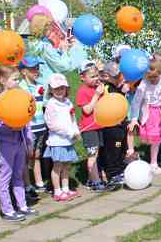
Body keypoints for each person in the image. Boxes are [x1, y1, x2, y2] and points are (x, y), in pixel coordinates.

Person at [0, 66, 39, 221]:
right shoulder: (0, 101)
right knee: (5, 177)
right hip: (7, 144)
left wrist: (29, 141)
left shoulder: (20, 97)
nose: (17, 82)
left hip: (20, 143)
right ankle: (7, 210)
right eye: (14, 79)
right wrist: (9, 126)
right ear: (2, 81)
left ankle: (22, 205)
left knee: (19, 174)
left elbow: (26, 120)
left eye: (18, 79)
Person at [128, 60, 161, 174]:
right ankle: (153, 163)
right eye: (150, 77)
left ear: (160, 73)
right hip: (150, 113)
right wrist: (134, 119)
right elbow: (136, 102)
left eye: (155, 76)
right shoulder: (144, 84)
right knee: (155, 139)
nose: (153, 79)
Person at [43, 73, 80, 202]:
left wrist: (76, 131)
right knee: (57, 166)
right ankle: (57, 191)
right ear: (51, 90)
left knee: (67, 166)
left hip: (68, 141)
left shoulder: (68, 102)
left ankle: (65, 188)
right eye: (55, 88)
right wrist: (69, 132)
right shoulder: (51, 104)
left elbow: (72, 119)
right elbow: (52, 125)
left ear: (66, 89)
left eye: (61, 88)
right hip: (57, 141)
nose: (59, 91)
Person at [18, 56, 51, 194]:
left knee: (37, 155)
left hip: (41, 127)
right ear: (24, 71)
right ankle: (27, 184)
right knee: (26, 156)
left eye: (37, 68)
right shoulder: (21, 87)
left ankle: (38, 181)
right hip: (28, 128)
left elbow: (44, 104)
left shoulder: (39, 86)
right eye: (32, 68)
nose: (36, 71)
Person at [75, 60, 110, 192]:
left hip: (99, 126)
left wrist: (103, 92)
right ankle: (95, 182)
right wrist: (96, 95)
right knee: (92, 155)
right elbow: (87, 110)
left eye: (97, 75)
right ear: (82, 77)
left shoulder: (98, 88)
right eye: (92, 76)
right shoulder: (82, 91)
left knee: (97, 154)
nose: (96, 79)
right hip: (89, 129)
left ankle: (92, 179)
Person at [99, 62, 129, 186]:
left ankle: (120, 169)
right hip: (111, 127)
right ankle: (113, 173)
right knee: (113, 150)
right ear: (106, 76)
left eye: (119, 75)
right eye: (115, 76)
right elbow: (113, 103)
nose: (119, 78)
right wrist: (122, 93)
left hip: (120, 124)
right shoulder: (106, 88)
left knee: (121, 148)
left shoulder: (116, 86)